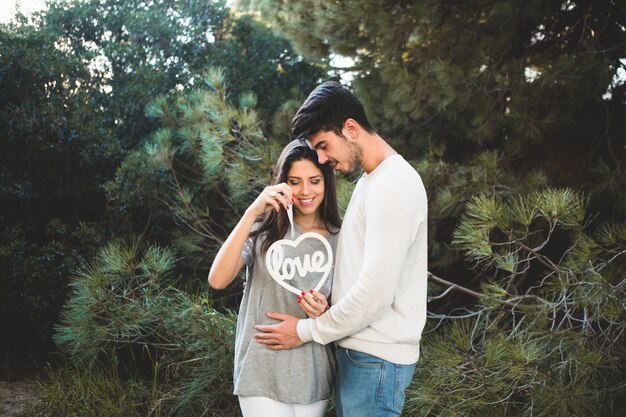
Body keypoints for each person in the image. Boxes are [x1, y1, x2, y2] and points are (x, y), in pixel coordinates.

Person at [253, 81, 428, 417]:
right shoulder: (372, 181)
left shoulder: (394, 185)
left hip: (376, 363)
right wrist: (329, 305)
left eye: (323, 145)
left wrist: (304, 331)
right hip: (361, 357)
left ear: (350, 128)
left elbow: (376, 294)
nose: (320, 159)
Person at [208, 140, 341, 417]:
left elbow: (349, 308)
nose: (305, 191)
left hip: (311, 372)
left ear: (326, 183)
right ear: (282, 183)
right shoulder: (263, 230)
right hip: (261, 368)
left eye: (314, 180)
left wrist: (324, 311)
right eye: (295, 181)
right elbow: (217, 280)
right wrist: (252, 212)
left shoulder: (340, 238)